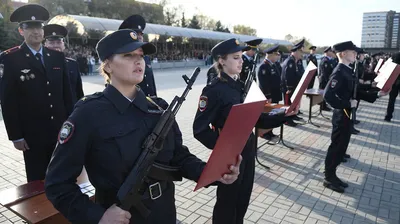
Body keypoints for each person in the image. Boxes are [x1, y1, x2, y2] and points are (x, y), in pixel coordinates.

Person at [45, 29, 241, 224]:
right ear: (108, 65)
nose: (139, 61)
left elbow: (178, 157)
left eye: (140, 55)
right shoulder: (88, 113)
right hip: (121, 217)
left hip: (164, 213)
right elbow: (57, 184)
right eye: (128, 55)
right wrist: (98, 216)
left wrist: (214, 173)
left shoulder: (158, 107)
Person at [193, 38, 293, 224]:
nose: (241, 61)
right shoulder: (213, 90)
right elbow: (199, 129)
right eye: (236, 57)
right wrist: (225, 148)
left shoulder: (241, 86)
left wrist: (283, 116)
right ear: (222, 61)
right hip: (230, 156)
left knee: (242, 201)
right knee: (227, 204)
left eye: (241, 57)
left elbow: (255, 117)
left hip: (248, 149)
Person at [0, 4, 73, 182]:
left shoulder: (56, 56)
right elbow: (8, 101)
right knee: (37, 180)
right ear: (21, 31)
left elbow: (67, 95)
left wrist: (72, 125)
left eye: (39, 26)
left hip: (59, 131)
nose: (36, 31)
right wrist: (16, 136)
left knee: (63, 176)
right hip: (33, 135)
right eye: (30, 27)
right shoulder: (10, 58)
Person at [323, 41, 387, 193]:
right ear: (343, 54)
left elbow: (356, 91)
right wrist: (346, 103)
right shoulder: (339, 71)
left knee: (342, 147)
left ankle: (333, 174)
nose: (355, 54)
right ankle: (328, 177)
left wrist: (377, 94)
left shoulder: (347, 69)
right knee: (336, 146)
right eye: (352, 52)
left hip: (346, 114)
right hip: (341, 115)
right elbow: (328, 95)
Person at [43, 24, 84, 104]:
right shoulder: (41, 65)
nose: (55, 46)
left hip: (72, 112)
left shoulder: (73, 64)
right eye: (51, 43)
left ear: (63, 45)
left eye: (59, 42)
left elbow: (79, 92)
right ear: (45, 45)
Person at [119, 14, 157, 97]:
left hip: (149, 102)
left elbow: (151, 82)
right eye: (136, 34)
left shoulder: (145, 57)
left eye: (141, 34)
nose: (140, 37)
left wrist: (155, 99)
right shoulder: (121, 58)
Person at [257, 44, 284, 141]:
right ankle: (265, 133)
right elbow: (264, 84)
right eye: (276, 55)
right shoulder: (264, 66)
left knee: (273, 115)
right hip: (269, 96)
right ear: (271, 55)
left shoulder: (274, 65)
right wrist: (268, 96)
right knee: (268, 115)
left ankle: (270, 131)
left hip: (275, 94)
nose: (277, 56)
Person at [281, 43, 304, 126]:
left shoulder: (295, 61)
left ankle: (293, 116)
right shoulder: (290, 61)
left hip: (294, 87)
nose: (301, 54)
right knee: (288, 105)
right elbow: (288, 76)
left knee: (293, 103)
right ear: (296, 51)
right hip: (289, 88)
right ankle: (287, 120)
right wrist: (289, 87)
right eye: (300, 52)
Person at [318, 46, 336, 111]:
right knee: (323, 93)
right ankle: (323, 107)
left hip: (325, 80)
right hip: (324, 81)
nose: (332, 53)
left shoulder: (328, 60)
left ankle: (324, 105)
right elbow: (325, 73)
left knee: (324, 93)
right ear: (328, 52)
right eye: (330, 51)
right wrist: (328, 81)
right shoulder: (325, 61)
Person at [384, 52, 400, 122]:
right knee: (392, 99)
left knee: (391, 100)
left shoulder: (394, 55)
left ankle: (388, 116)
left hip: (394, 80)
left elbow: (389, 67)